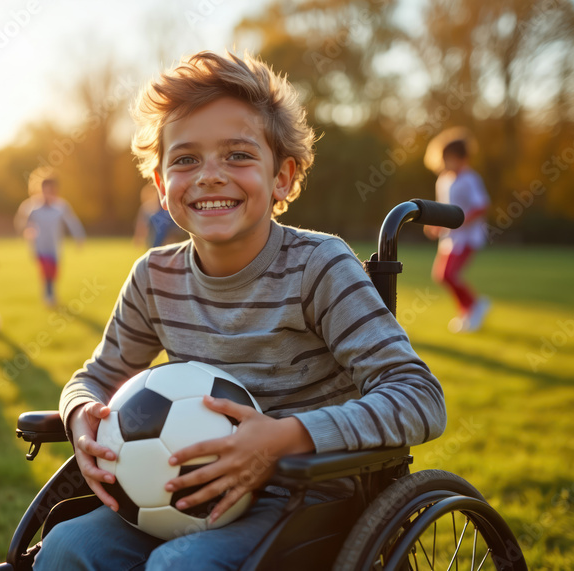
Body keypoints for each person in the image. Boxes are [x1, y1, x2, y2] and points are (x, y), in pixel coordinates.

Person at [34, 51, 447, 570]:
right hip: (179, 492)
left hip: (308, 496)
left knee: (179, 567)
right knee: (68, 548)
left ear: (282, 177)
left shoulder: (318, 266)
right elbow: (94, 378)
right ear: (161, 186)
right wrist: (81, 416)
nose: (209, 176)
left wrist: (284, 438)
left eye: (238, 155)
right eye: (185, 159)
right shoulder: (154, 277)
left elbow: (420, 397)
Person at [423, 129, 491, 333]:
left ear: (461, 158)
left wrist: (461, 221)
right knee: (441, 275)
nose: (445, 163)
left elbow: (481, 206)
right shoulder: (443, 180)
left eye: (449, 159)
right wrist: (436, 224)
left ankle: (475, 305)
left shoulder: (470, 179)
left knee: (450, 274)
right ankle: (468, 310)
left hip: (467, 237)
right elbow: (443, 207)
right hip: (450, 238)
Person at [14, 169, 86, 307]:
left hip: (54, 246)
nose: (47, 193)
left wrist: (79, 237)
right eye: (44, 190)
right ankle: (48, 296)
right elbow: (22, 221)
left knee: (53, 272)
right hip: (39, 246)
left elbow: (72, 222)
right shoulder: (33, 207)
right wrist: (24, 231)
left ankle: (50, 293)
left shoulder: (61, 206)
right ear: (40, 189)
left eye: (51, 190)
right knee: (45, 269)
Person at [133, 183, 184, 248]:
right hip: (154, 244)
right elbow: (142, 225)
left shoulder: (169, 212)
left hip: (166, 245)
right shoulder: (148, 210)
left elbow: (175, 232)